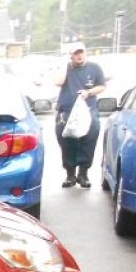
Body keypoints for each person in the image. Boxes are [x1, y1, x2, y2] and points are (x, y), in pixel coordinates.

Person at [54, 42, 106, 188]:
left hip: (88, 110)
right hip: (66, 111)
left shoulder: (94, 68)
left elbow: (102, 86)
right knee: (66, 141)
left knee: (89, 139)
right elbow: (58, 82)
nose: (79, 55)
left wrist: (88, 92)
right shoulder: (66, 68)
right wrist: (64, 65)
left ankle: (83, 174)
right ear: (70, 55)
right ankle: (70, 174)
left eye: (81, 52)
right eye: (75, 53)